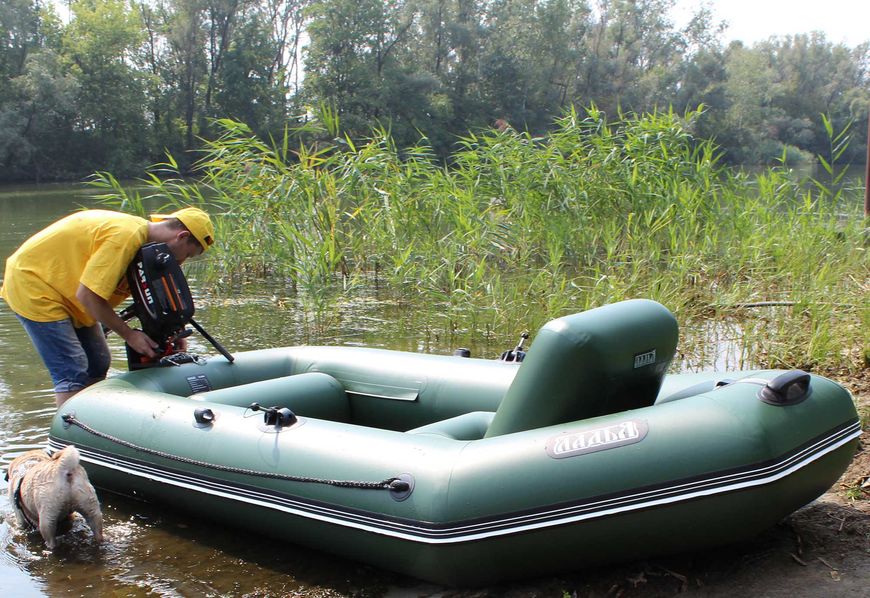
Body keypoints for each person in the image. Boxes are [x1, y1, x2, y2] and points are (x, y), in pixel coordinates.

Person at [0, 207, 215, 407]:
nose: (181, 262)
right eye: (187, 255)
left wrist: (174, 330)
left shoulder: (148, 251)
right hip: (35, 285)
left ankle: (92, 420)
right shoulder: (126, 237)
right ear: (182, 236)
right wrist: (129, 335)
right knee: (72, 370)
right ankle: (67, 442)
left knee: (98, 361)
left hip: (68, 291)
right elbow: (88, 295)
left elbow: (149, 298)